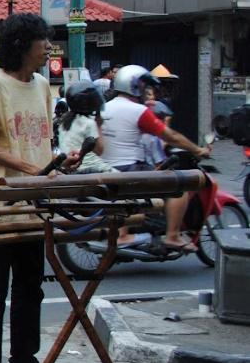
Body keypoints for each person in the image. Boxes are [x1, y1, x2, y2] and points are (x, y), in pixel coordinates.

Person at [0, 13, 78, 363]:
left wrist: (58, 163)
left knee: (32, 286)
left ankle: (24, 362)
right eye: (41, 40)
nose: (48, 47)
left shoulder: (43, 85)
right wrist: (34, 169)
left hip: (35, 204)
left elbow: (41, 141)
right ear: (21, 44)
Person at [97, 64, 209, 251]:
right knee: (179, 187)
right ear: (135, 86)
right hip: (131, 171)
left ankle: (134, 230)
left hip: (107, 169)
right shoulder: (138, 111)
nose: (147, 91)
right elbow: (170, 136)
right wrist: (197, 150)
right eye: (145, 87)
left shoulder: (104, 108)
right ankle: (172, 236)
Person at [56, 81, 115, 174]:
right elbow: (99, 150)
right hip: (90, 167)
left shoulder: (64, 121)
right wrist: (98, 125)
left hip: (69, 166)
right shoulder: (89, 123)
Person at [143, 102, 174, 167]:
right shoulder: (153, 137)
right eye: (162, 118)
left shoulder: (138, 132)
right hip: (150, 173)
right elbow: (160, 163)